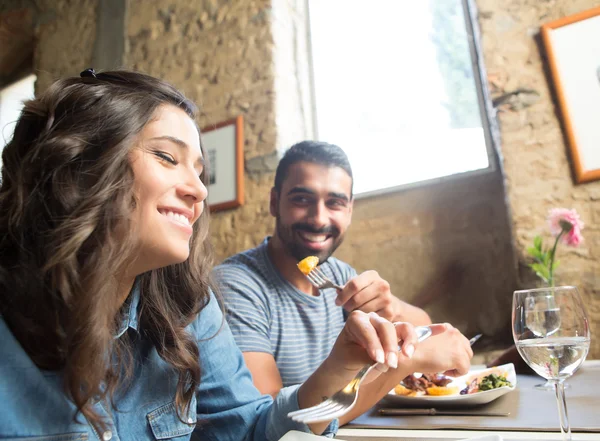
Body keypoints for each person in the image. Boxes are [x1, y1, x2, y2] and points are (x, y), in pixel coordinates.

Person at [0, 69, 472, 440]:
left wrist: (342, 366)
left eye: (200, 170)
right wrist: (402, 365)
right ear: (80, 165)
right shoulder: (235, 286)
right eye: (167, 157)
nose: (197, 190)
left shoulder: (188, 307)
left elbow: (252, 430)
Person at [213, 141, 471, 419]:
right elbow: (269, 422)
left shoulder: (338, 275)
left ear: (349, 210)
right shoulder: (237, 286)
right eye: (302, 199)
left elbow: (424, 326)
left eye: (334, 203)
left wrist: (392, 307)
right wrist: (408, 362)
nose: (318, 219)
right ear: (274, 202)